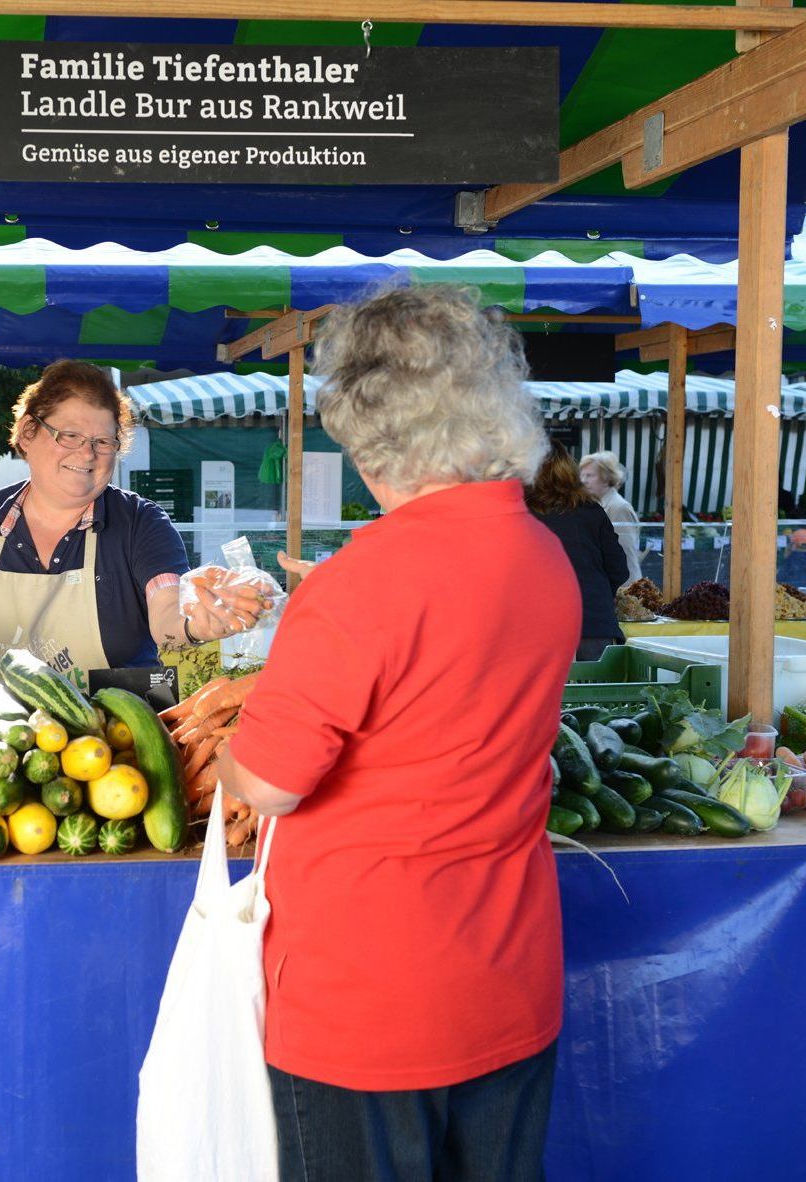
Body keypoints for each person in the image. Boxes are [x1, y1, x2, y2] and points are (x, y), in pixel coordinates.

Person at [215, 286, 579, 1182]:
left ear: (370, 432)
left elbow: (267, 783)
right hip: (506, 981)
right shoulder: (544, 555)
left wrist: (228, 744)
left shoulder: (359, 583)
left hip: (367, 1006)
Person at [0, 361, 262, 679]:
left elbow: (168, 613)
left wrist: (194, 624)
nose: (86, 453)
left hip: (114, 739)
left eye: (103, 441)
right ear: (27, 433)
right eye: (69, 435)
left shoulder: (140, 524)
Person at [527, 442, 629, 662]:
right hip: (594, 623)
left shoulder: (522, 515)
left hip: (538, 629)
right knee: (596, 694)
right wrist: (595, 594)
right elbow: (619, 568)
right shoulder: (590, 511)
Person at [579, 450, 643, 589]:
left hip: (625, 589)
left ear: (606, 478)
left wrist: (626, 592)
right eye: (582, 475)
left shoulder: (619, 507)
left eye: (589, 475)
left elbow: (627, 556)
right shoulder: (597, 505)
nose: (583, 480)